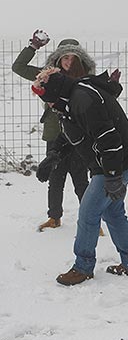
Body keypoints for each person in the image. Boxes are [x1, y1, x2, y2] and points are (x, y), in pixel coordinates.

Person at [32, 67, 128, 285]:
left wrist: (112, 177)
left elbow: (109, 139)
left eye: (47, 99)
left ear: (55, 92)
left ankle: (82, 267)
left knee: (88, 213)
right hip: (116, 161)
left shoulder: (83, 100)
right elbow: (73, 129)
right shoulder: (70, 99)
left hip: (116, 162)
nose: (48, 104)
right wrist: (54, 154)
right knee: (112, 212)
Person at [12, 30, 95, 231]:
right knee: (56, 178)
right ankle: (54, 218)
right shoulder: (47, 74)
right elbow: (18, 67)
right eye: (65, 57)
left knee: (81, 179)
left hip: (79, 135)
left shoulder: (87, 79)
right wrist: (33, 47)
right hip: (55, 133)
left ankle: (91, 221)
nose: (68, 62)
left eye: (73, 58)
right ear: (58, 58)